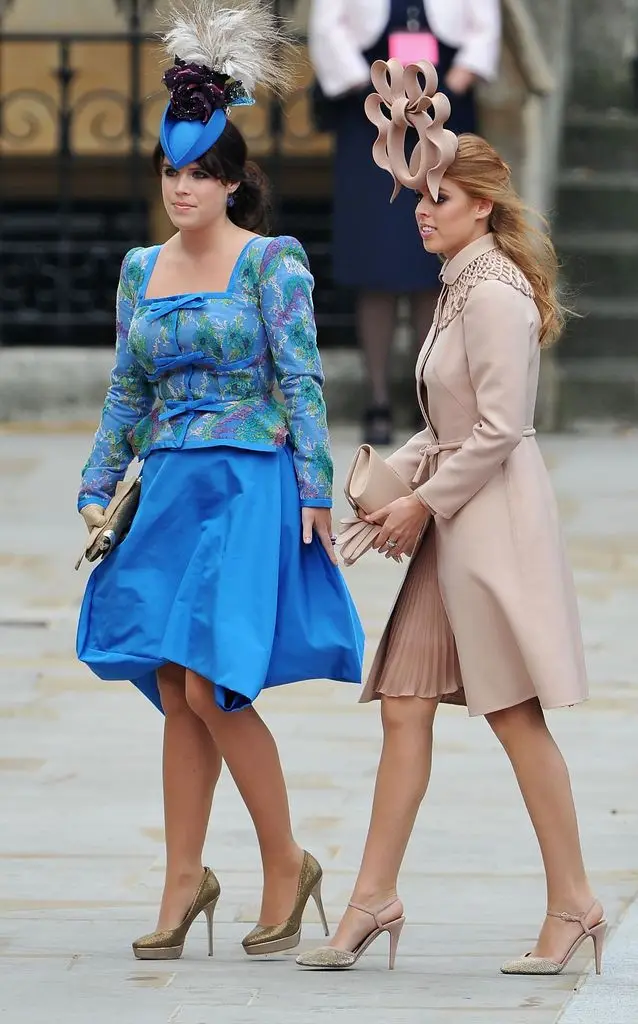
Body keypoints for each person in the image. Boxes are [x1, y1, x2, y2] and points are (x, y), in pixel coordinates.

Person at [297, 58, 606, 976]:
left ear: (482, 205)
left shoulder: (496, 292)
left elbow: (507, 428)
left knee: (515, 719)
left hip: (491, 534)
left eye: (439, 195)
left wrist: (418, 506)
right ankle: (371, 899)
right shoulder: (458, 285)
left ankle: (576, 904)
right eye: (418, 193)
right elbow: (449, 425)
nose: (422, 208)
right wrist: (383, 491)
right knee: (403, 709)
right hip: (451, 529)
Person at [76, 0, 363, 962]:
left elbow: (303, 382)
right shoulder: (138, 270)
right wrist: (97, 482)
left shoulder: (272, 264)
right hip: (169, 490)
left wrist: (315, 494)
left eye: (203, 172)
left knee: (213, 684)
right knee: (169, 675)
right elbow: (126, 390)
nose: (184, 187)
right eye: (172, 171)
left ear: (234, 183)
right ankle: (183, 877)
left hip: (250, 484)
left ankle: (286, 862)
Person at [308, 0, 501, 446]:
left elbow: (484, 26)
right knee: (375, 258)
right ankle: (376, 397)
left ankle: (430, 401)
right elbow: (328, 25)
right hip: (371, 116)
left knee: (435, 259)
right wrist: (368, 87)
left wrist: (455, 82)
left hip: (445, 112)